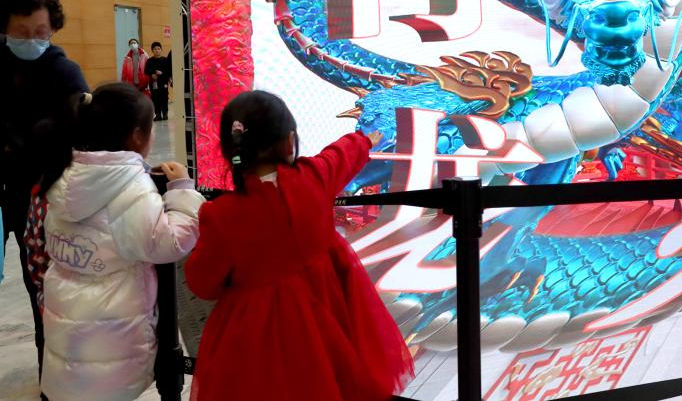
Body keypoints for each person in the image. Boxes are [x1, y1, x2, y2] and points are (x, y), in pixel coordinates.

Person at [185, 91, 413, 401]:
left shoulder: (221, 215)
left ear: (230, 149)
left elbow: (203, 282)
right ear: (290, 141)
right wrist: (364, 141)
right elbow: (339, 156)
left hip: (255, 338)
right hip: (328, 319)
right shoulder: (314, 177)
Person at [40, 83, 204, 401]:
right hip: (112, 342)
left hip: (68, 336)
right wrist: (182, 190)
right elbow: (168, 243)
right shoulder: (130, 188)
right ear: (138, 136)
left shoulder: (65, 176)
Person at [0, 0, 88, 383]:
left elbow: (80, 135)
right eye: (21, 32)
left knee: (42, 288)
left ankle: (49, 376)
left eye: (40, 31)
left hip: (39, 195)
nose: (32, 40)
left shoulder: (64, 72)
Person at [144, 41, 171, 121]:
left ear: (161, 50)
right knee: (155, 98)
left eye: (158, 49)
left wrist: (162, 73)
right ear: (152, 50)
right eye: (155, 49)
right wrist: (152, 74)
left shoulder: (165, 60)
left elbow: (169, 71)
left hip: (163, 82)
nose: (157, 50)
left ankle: (165, 113)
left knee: (164, 98)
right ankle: (158, 114)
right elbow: (146, 71)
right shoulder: (149, 61)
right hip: (154, 83)